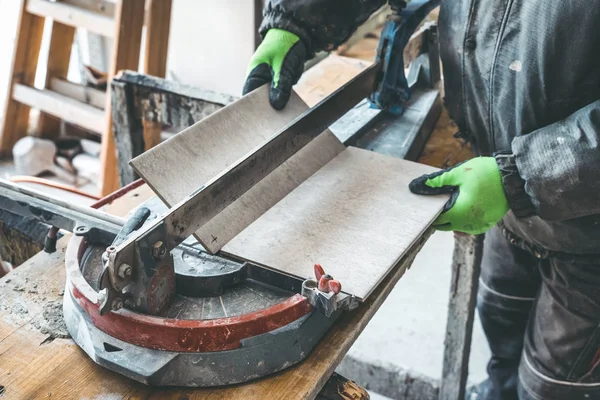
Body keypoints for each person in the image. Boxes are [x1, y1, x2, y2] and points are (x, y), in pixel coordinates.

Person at [243, 1, 600, 399]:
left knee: (555, 383)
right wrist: (298, 19)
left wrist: (528, 173)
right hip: (501, 178)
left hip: (588, 225)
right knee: (501, 321)